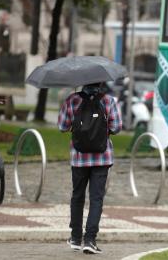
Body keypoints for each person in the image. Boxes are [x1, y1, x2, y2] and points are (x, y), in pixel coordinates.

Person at [58, 82, 122, 254]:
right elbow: (116, 127)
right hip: (102, 158)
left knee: (77, 196)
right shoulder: (108, 101)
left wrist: (77, 127)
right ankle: (90, 240)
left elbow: (62, 127)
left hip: (79, 158)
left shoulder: (72, 100)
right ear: (101, 82)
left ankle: (76, 238)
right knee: (96, 198)